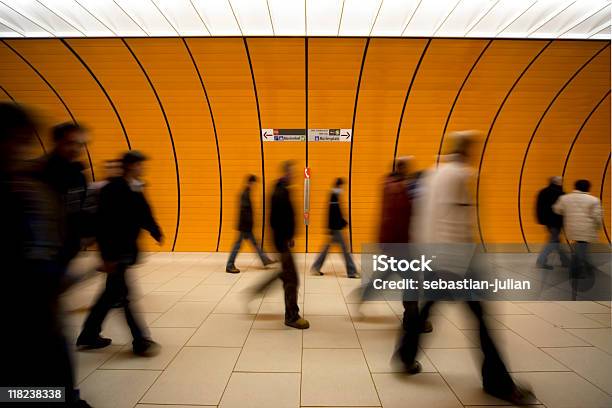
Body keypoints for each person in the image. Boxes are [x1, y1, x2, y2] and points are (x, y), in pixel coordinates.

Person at [397, 131, 534, 404]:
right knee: (482, 321)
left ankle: (405, 356)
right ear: (468, 150)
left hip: (436, 257)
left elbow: (424, 217)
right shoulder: (462, 175)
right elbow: (461, 225)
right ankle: (498, 383)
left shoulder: (434, 174)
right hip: (456, 263)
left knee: (428, 307)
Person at [0, 103, 91, 407]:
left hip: (43, 287)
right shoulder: (29, 181)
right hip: (27, 296)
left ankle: (65, 397)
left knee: (53, 355)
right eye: (16, 140)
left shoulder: (66, 177)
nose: (19, 149)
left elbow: (69, 220)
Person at [77, 150, 163, 356]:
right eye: (140, 165)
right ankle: (140, 340)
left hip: (125, 249)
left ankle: (89, 334)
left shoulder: (135, 186)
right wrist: (108, 256)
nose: (143, 168)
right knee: (123, 296)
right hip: (116, 251)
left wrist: (154, 230)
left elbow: (143, 212)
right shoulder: (113, 189)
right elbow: (104, 224)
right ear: (131, 165)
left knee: (110, 295)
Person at [253, 161, 309, 329]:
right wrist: (284, 240)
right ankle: (291, 316)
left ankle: (258, 290)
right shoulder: (279, 192)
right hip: (281, 243)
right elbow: (277, 221)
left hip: (282, 241)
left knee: (286, 274)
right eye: (292, 173)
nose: (294, 176)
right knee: (292, 279)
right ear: (286, 173)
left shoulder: (282, 189)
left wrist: (289, 236)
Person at [39, 123, 89, 270]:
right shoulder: (42, 172)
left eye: (80, 145)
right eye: (70, 143)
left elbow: (79, 206)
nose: (76, 149)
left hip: (66, 243)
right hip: (44, 246)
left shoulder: (77, 173)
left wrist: (84, 232)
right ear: (57, 142)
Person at [553, 179, 602, 296]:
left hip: (571, 228)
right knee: (582, 248)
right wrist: (599, 227)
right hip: (586, 229)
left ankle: (580, 265)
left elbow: (557, 209)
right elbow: (597, 216)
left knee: (580, 247)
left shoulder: (565, 198)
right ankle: (580, 269)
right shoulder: (594, 200)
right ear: (588, 188)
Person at [311, 177, 358, 278]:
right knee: (345, 250)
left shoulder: (334, 195)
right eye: (342, 187)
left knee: (326, 249)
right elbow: (333, 213)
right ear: (339, 186)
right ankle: (352, 272)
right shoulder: (334, 196)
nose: (343, 189)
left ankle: (315, 268)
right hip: (335, 229)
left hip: (334, 228)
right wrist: (342, 222)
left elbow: (332, 213)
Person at [226, 174, 274, 273]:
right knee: (237, 246)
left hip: (246, 226)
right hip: (245, 226)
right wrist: (248, 225)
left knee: (254, 243)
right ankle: (230, 265)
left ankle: (265, 260)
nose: (254, 186)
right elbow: (245, 212)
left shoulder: (246, 192)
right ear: (250, 183)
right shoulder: (245, 194)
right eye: (254, 184)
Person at [536, 176, 569, 269]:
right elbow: (562, 210)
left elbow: (538, 207)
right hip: (556, 221)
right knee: (553, 241)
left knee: (556, 240)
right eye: (561, 181)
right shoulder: (561, 194)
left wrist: (541, 220)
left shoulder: (542, 192)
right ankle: (541, 261)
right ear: (558, 183)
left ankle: (565, 260)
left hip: (546, 221)